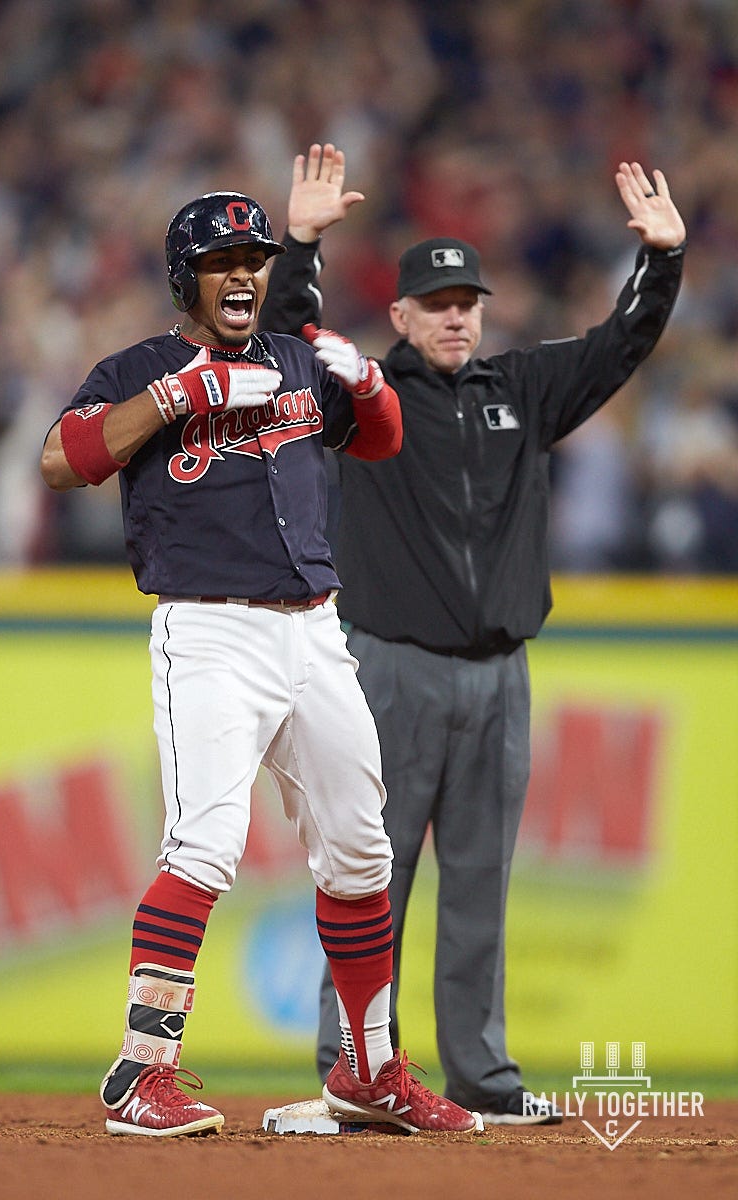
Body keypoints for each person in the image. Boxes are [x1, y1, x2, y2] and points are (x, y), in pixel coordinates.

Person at [40, 187, 484, 1137]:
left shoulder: (291, 356)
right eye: (221, 260)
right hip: (209, 631)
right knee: (203, 846)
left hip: (316, 631)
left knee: (363, 848)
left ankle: (369, 1071)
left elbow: (379, 440)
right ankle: (139, 1074)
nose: (243, 272)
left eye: (254, 257)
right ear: (185, 278)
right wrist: (167, 401)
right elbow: (60, 459)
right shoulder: (144, 366)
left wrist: (368, 387)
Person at [260, 144, 687, 1125]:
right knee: (371, 874)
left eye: (468, 301)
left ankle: (480, 1078)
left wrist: (659, 262)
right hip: (390, 673)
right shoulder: (364, 396)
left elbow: (616, 347)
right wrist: (304, 242)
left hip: (498, 676)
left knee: (479, 884)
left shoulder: (520, 392)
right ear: (401, 315)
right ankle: (350, 1070)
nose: (455, 315)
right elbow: (285, 348)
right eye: (436, 302)